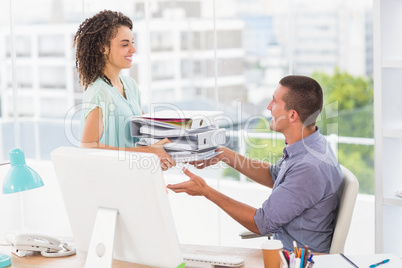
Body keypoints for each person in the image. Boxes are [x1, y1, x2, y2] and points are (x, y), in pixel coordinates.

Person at [167, 75, 342, 253]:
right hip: (286, 252)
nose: (268, 107)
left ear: (292, 115)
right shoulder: (311, 145)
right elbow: (275, 176)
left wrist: (206, 191)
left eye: (274, 102)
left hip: (296, 261)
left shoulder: (308, 167)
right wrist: (223, 154)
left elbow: (262, 223)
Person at [74, 10, 175, 170]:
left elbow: (143, 136)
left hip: (137, 176)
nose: (133, 50)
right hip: (113, 182)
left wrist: (158, 152)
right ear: (103, 49)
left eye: (132, 42)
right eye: (125, 44)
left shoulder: (130, 85)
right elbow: (88, 147)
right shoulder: (99, 92)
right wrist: (147, 152)